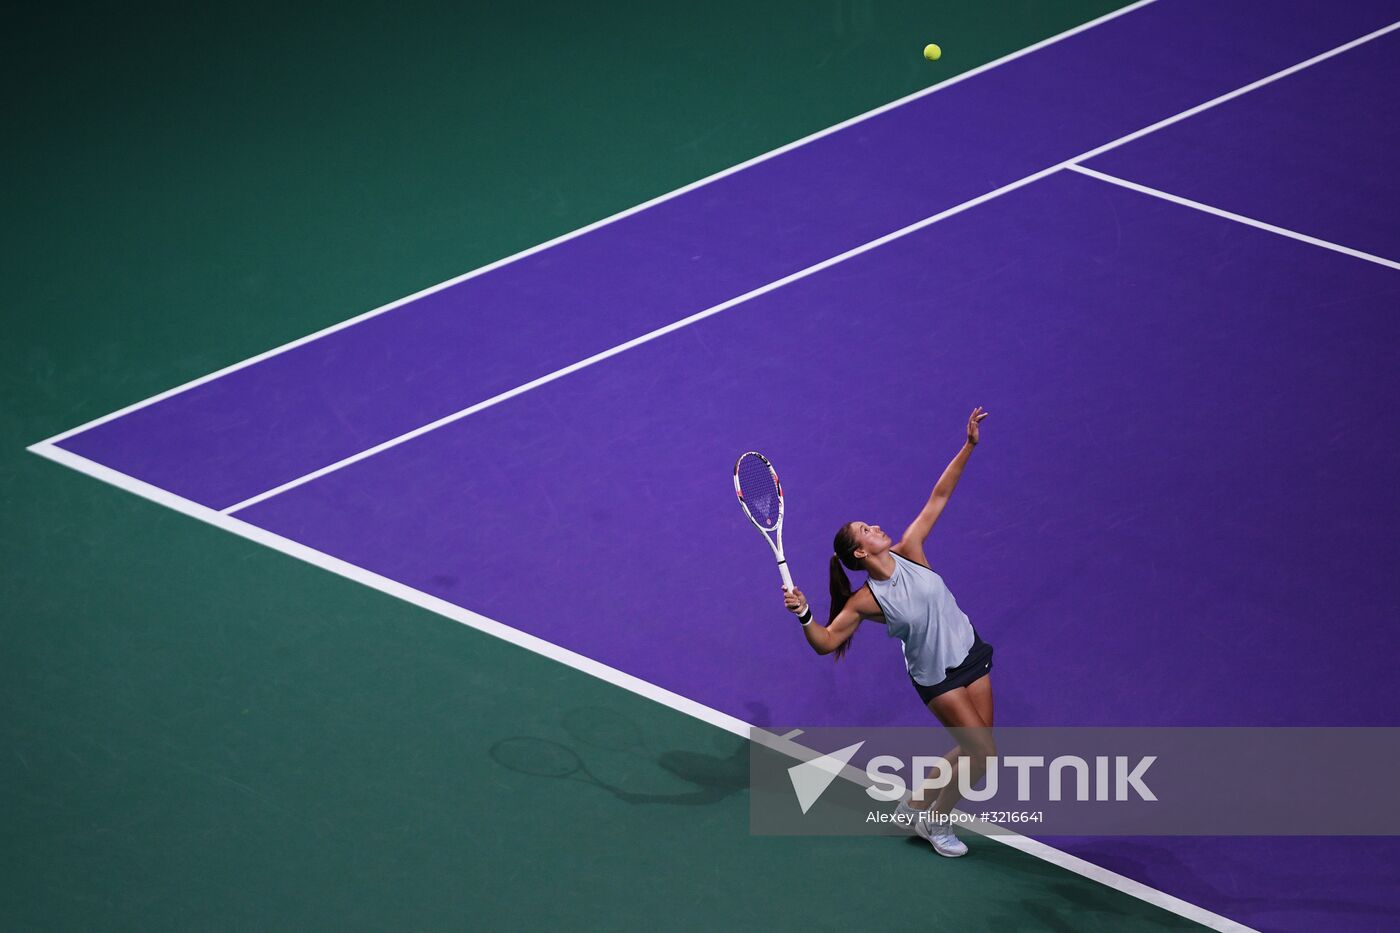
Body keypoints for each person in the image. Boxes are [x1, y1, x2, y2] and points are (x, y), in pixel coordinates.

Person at [782, 407, 993, 857]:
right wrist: (804, 614)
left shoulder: (911, 550)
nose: (876, 526)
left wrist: (969, 446)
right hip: (938, 677)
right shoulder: (865, 601)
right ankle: (935, 823)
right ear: (860, 551)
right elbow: (826, 643)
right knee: (984, 755)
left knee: (976, 745)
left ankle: (915, 801)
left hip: (971, 652)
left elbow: (939, 496)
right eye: (867, 529)